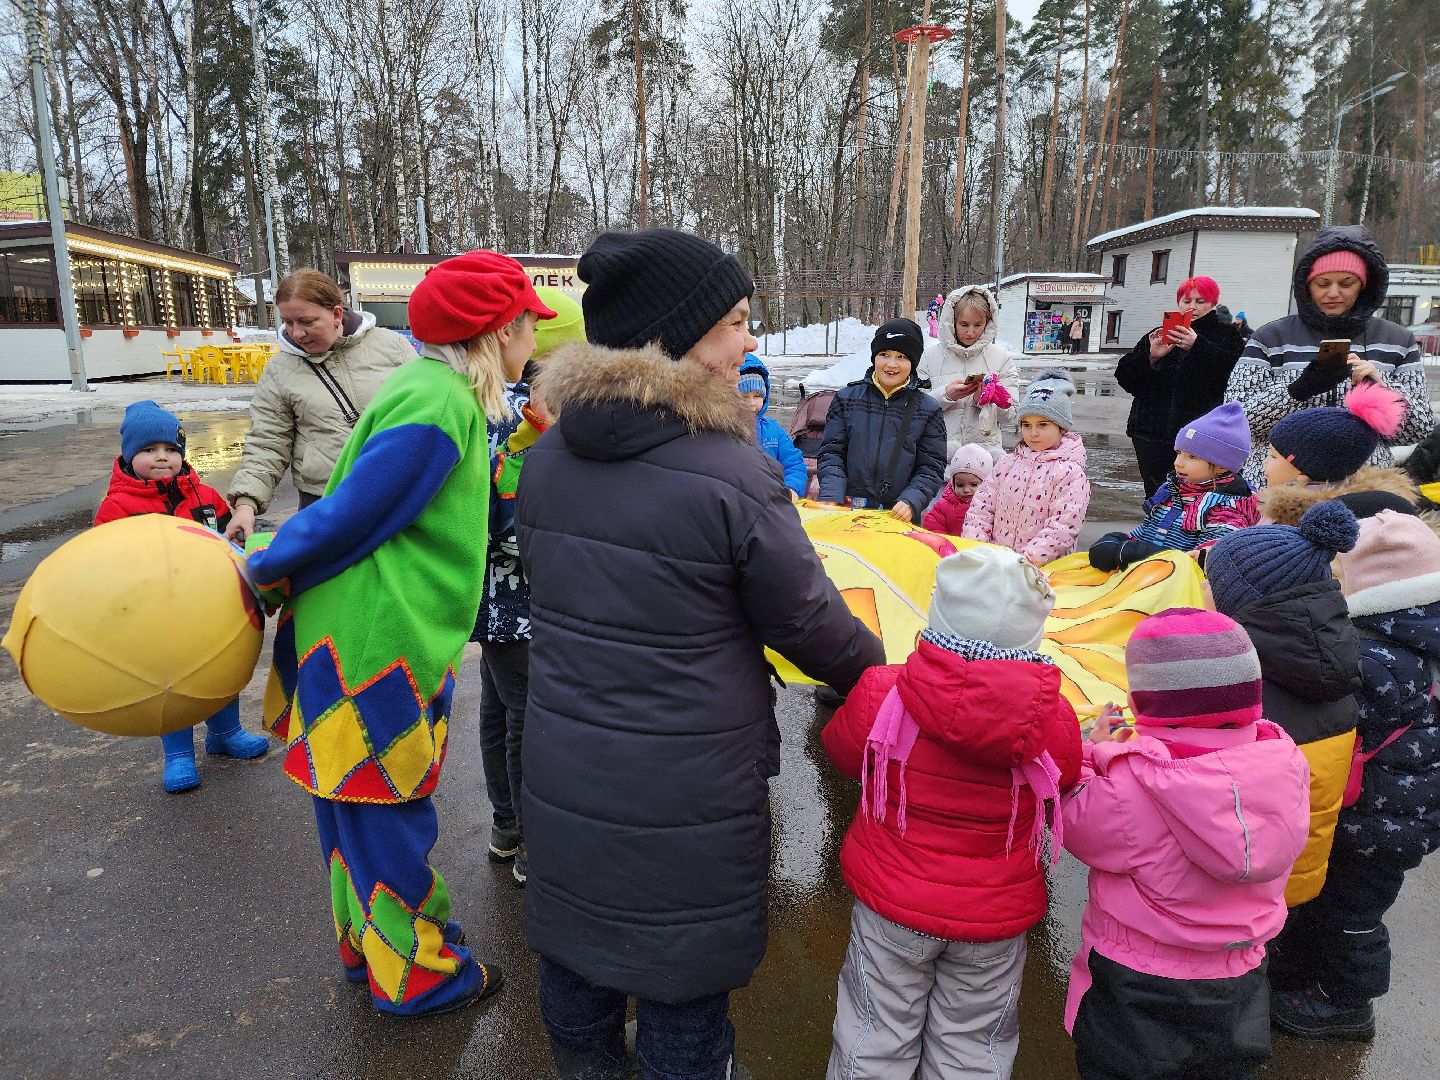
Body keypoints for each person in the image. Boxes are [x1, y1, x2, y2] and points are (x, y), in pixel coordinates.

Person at [516, 227, 884, 1080]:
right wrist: (879, 670)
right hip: (689, 777)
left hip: (567, 759)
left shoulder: (550, 458)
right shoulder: (730, 470)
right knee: (683, 979)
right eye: (736, 323)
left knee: (576, 948)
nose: (751, 342)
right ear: (673, 337)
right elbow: (805, 619)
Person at [244, 251, 556, 1017]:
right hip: (377, 647)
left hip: (353, 637)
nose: (533, 341)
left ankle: (368, 952)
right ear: (497, 329)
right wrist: (267, 563)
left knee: (351, 806)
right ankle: (419, 974)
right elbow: (356, 511)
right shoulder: (439, 403)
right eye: (527, 326)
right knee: (386, 809)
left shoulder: (436, 391)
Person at [822, 547, 1081, 1078]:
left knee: (875, 1029)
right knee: (974, 1041)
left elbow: (842, 752)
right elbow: (1069, 779)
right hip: (995, 917)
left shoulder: (882, 692)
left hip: (893, 905)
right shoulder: (1052, 719)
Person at [1062, 608, 1311, 1080]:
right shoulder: (1284, 764)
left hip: (1138, 980)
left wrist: (1094, 752)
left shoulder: (1128, 787)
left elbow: (1075, 822)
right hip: (1239, 975)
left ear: (1144, 700)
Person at [1270, 508, 1440, 1041]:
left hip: (1380, 821)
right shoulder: (1420, 637)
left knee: (1353, 915)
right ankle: (1300, 972)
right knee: (1329, 899)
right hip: (1402, 808)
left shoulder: (1378, 655)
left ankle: (1346, 1006)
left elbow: (1339, 711)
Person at [94, 401, 269, 792]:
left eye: (171, 450)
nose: (163, 458)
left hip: (210, 606)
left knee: (221, 668)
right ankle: (178, 755)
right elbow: (102, 563)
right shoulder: (118, 506)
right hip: (156, 615)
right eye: (150, 450)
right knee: (172, 683)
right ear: (128, 455)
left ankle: (225, 734)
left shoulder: (203, 494)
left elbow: (230, 535)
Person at [473, 286, 584, 888]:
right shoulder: (527, 413)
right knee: (526, 718)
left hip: (491, 595)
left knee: (499, 707)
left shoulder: (489, 402)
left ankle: (505, 825)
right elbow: (513, 506)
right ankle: (530, 845)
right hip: (520, 593)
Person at [1204, 502, 1362, 912]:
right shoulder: (1333, 659)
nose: (1203, 590)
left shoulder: (1238, 689)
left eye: (1210, 582)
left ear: (1242, 600)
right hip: (1298, 872)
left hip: (1235, 883)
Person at [1224, 225, 1433, 490]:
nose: (1333, 292)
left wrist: (1382, 390)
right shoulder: (1271, 338)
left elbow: (1418, 429)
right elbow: (1236, 418)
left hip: (1363, 485)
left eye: (1347, 283)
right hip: (1279, 483)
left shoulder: (1397, 341)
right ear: (1306, 284)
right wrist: (1297, 391)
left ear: (1365, 285)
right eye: (1322, 283)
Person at [224, 268, 415, 540]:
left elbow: (428, 412)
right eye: (288, 322)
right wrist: (246, 503)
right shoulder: (281, 370)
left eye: (306, 321)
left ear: (337, 314)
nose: (297, 333)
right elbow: (267, 442)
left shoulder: (392, 347)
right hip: (324, 502)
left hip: (398, 491)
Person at [1115, 276, 1248, 498]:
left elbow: (1234, 376)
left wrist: (1198, 347)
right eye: (1187, 301)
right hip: (1150, 432)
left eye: (1200, 301)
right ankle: (1155, 531)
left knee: (1197, 495)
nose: (1192, 307)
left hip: (1200, 435)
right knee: (1156, 495)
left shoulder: (1227, 336)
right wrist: (1151, 356)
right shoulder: (1160, 334)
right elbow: (1126, 378)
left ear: (1213, 303)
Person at [1088, 401, 1257, 571]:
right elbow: (1145, 531)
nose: (1178, 463)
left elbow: (1203, 563)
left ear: (1222, 466)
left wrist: (1137, 554)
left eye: (1191, 457)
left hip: (1180, 593)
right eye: (1179, 453)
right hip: (1148, 580)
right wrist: (1117, 542)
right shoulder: (1173, 491)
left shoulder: (1226, 509)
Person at [816, 318, 947, 521]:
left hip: (898, 516)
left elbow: (931, 467)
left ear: (913, 363)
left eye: (901, 356)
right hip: (846, 510)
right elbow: (831, 453)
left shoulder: (928, 410)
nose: (891, 364)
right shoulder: (846, 399)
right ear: (874, 357)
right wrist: (832, 494)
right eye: (884, 354)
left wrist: (912, 501)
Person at [963, 373, 1090, 566]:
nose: (1033, 433)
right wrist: (978, 548)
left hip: (1041, 571)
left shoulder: (1070, 473)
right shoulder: (1007, 463)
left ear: (1062, 427)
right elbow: (981, 507)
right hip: (994, 563)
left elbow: (1064, 525)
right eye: (1026, 425)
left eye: (1043, 424)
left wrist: (1026, 561)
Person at [1248, 381, 1410, 526]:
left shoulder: (1288, 518)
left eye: (1273, 456)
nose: (1265, 462)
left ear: (1303, 472)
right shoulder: (1369, 507)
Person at [919, 285, 1018, 459]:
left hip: (984, 463)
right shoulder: (930, 357)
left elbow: (1010, 416)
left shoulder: (1001, 358)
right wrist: (945, 395)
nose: (970, 332)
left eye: (978, 324)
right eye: (964, 324)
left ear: (988, 323)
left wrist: (988, 401)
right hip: (938, 460)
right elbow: (916, 409)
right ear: (951, 321)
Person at [738, 354, 807, 497]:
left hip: (774, 501)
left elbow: (793, 463)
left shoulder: (773, 430)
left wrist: (791, 489)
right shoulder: (721, 432)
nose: (751, 403)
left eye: (757, 396)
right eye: (743, 397)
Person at [922, 443, 991, 535]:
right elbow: (933, 524)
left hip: (979, 548)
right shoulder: (944, 505)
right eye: (960, 485)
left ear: (985, 483)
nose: (966, 490)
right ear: (953, 484)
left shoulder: (989, 507)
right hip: (950, 547)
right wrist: (944, 541)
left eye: (973, 485)